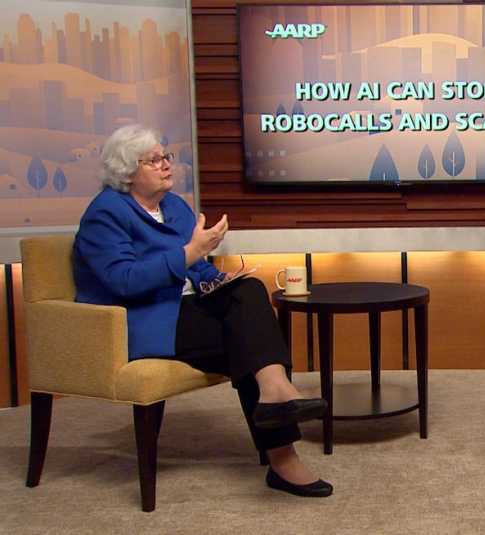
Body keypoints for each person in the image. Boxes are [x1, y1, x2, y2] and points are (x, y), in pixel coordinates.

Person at [73, 124, 332, 498]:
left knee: (249, 293)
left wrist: (219, 278)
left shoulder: (174, 207)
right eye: (153, 160)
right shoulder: (105, 214)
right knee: (248, 338)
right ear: (126, 172)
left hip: (185, 310)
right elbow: (124, 281)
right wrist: (190, 252)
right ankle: (282, 453)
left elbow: (197, 270)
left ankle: (275, 397)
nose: (166, 165)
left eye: (166, 157)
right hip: (142, 320)